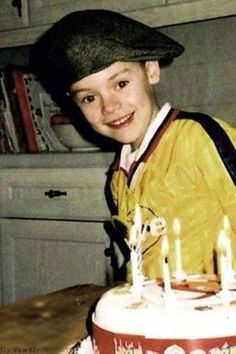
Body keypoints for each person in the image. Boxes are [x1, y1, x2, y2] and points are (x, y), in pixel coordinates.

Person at [30, 9, 236, 281]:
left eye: (121, 84)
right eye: (89, 98)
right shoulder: (119, 177)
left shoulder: (198, 139)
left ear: (151, 70)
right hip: (154, 312)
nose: (110, 106)